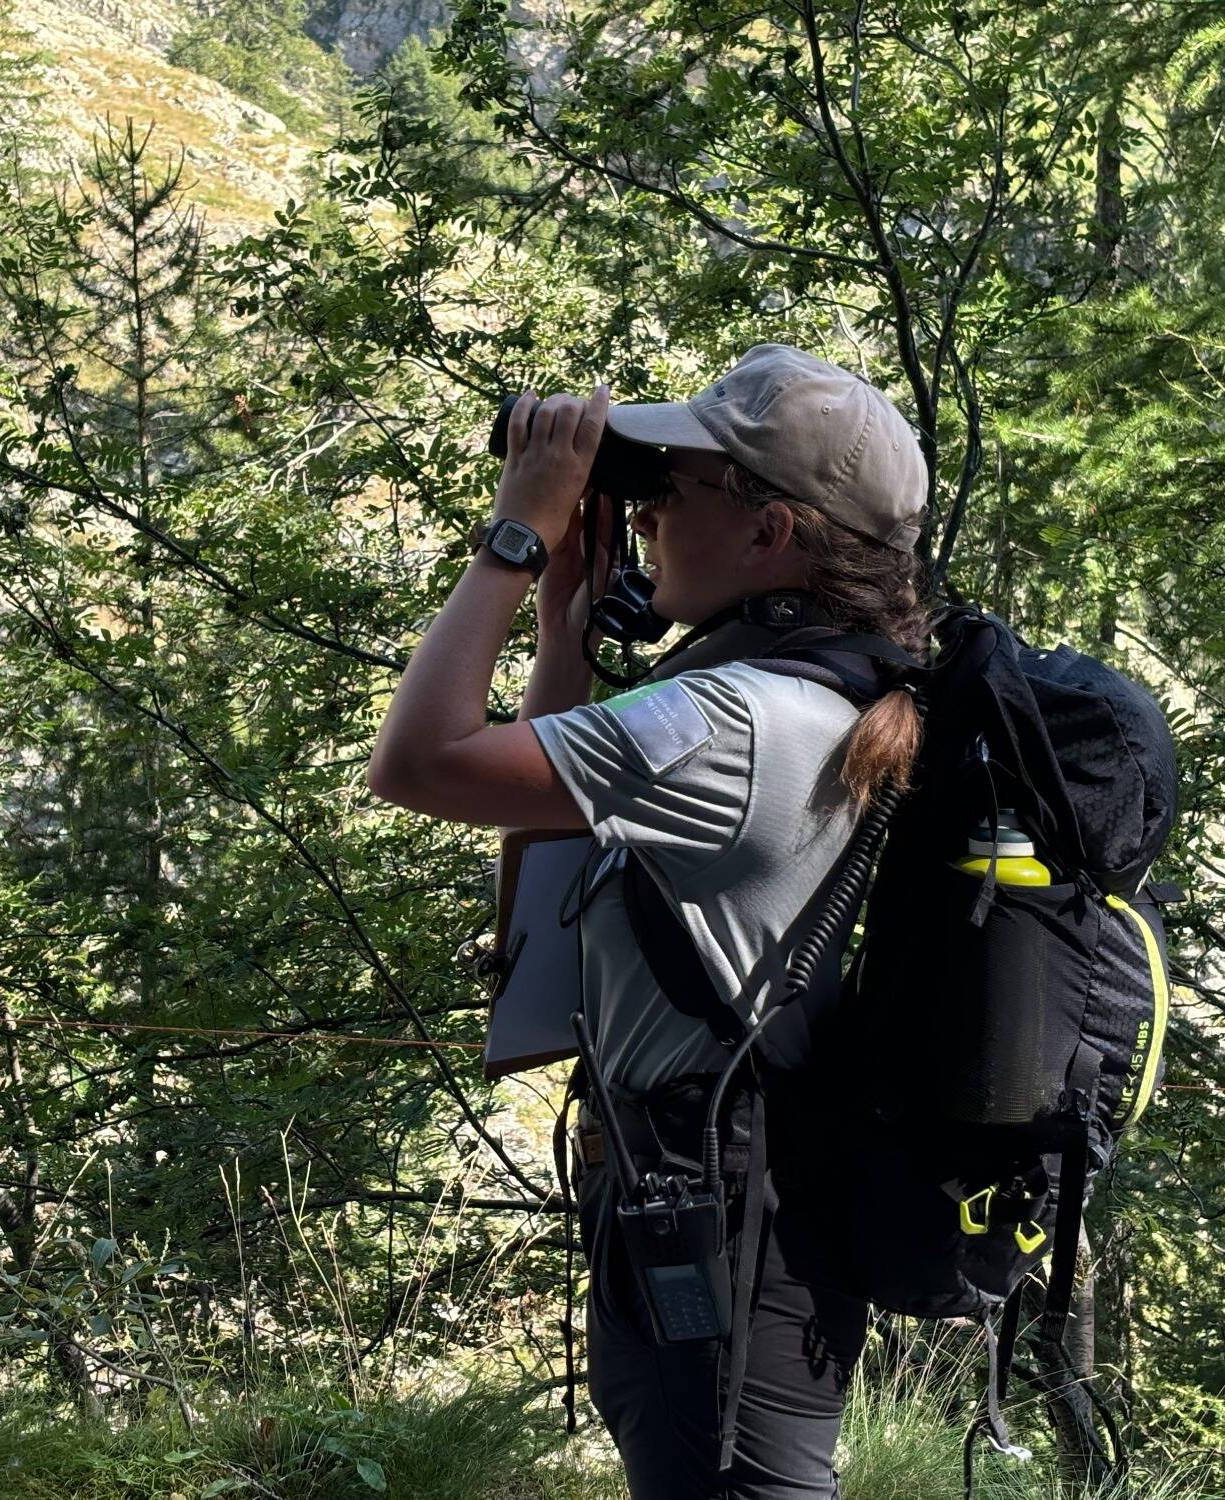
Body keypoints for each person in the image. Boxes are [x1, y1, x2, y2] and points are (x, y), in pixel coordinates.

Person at [366, 344, 931, 1498]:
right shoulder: (813, 695)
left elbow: (418, 764)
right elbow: (544, 843)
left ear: (771, 534)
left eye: (676, 489)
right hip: (726, 1188)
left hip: (718, 1204)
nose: (651, 511)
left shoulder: (729, 718)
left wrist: (515, 537)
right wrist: (564, 632)